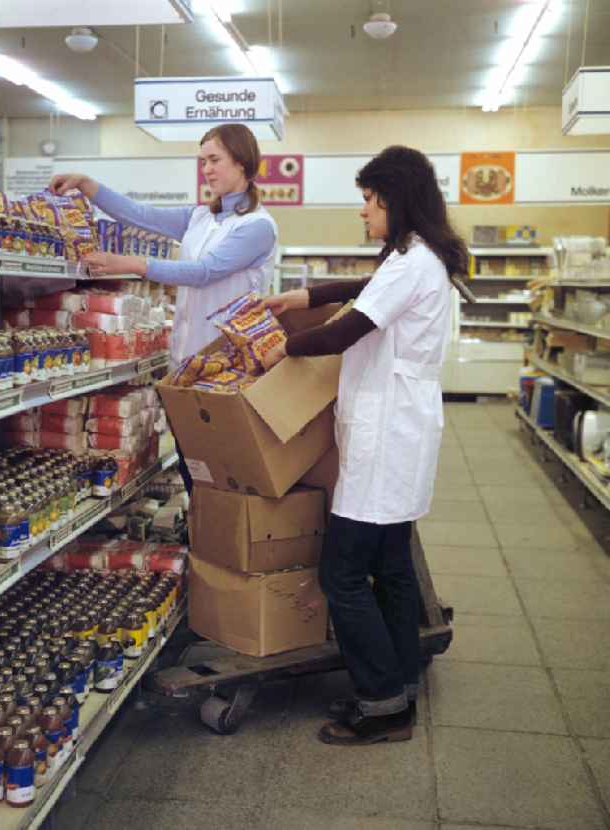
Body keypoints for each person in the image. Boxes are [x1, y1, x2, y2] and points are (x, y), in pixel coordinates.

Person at [261, 145, 469, 746]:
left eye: (369, 202)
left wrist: (285, 349)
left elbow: (353, 328)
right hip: (401, 431)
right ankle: (400, 676)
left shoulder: (411, 263)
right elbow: (366, 284)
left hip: (387, 436)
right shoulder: (419, 256)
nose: (363, 213)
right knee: (392, 566)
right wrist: (303, 298)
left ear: (394, 201)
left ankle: (381, 704)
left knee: (343, 573)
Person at [50, 123, 277, 494]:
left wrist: (133, 264)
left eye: (215, 159)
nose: (206, 169)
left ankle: (227, 545)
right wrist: (88, 186)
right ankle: (204, 542)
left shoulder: (256, 226)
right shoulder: (201, 217)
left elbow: (204, 272)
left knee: (225, 474)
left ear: (242, 163)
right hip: (186, 363)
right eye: (203, 161)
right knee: (195, 469)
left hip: (228, 367)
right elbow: (141, 215)